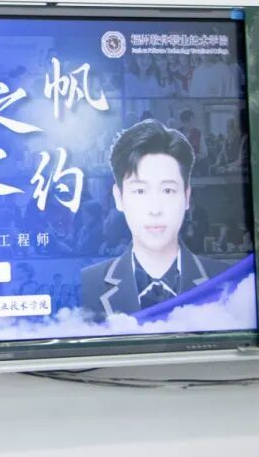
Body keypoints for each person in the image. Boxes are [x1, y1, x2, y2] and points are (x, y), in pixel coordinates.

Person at [81, 119, 232, 320]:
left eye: (168, 190)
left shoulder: (225, 280)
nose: (155, 209)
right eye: (140, 191)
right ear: (119, 198)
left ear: (187, 197)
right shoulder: (90, 283)